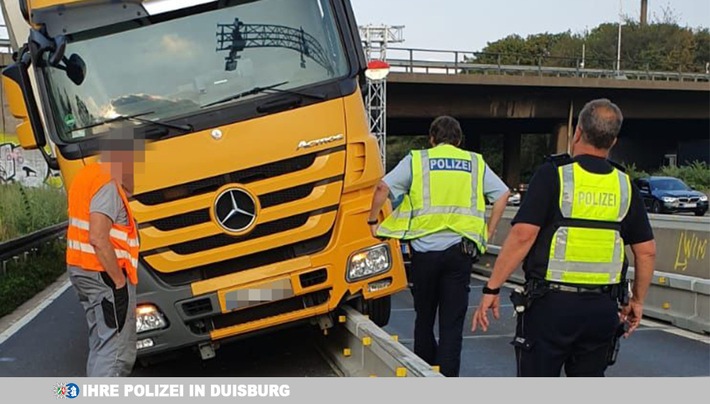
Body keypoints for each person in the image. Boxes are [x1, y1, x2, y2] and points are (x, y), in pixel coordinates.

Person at [471, 98, 656, 377]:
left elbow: (523, 235)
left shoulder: (553, 175)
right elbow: (646, 252)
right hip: (602, 309)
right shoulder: (624, 184)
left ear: (577, 132)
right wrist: (638, 301)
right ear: (613, 141)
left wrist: (492, 289)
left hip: (551, 307)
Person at [368, 115, 509, 377]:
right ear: (459, 140)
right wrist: (488, 230)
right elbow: (503, 194)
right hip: (459, 255)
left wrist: (372, 221)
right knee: (451, 325)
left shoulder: (418, 160)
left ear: (431, 139)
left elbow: (381, 188)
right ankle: (447, 381)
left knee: (424, 319)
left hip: (424, 254)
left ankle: (424, 376)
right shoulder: (474, 162)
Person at [66, 133, 141, 377]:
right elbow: (98, 237)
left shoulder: (87, 176)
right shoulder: (106, 183)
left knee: (101, 344)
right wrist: (119, 281)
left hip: (83, 270)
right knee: (116, 350)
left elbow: (127, 192)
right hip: (104, 275)